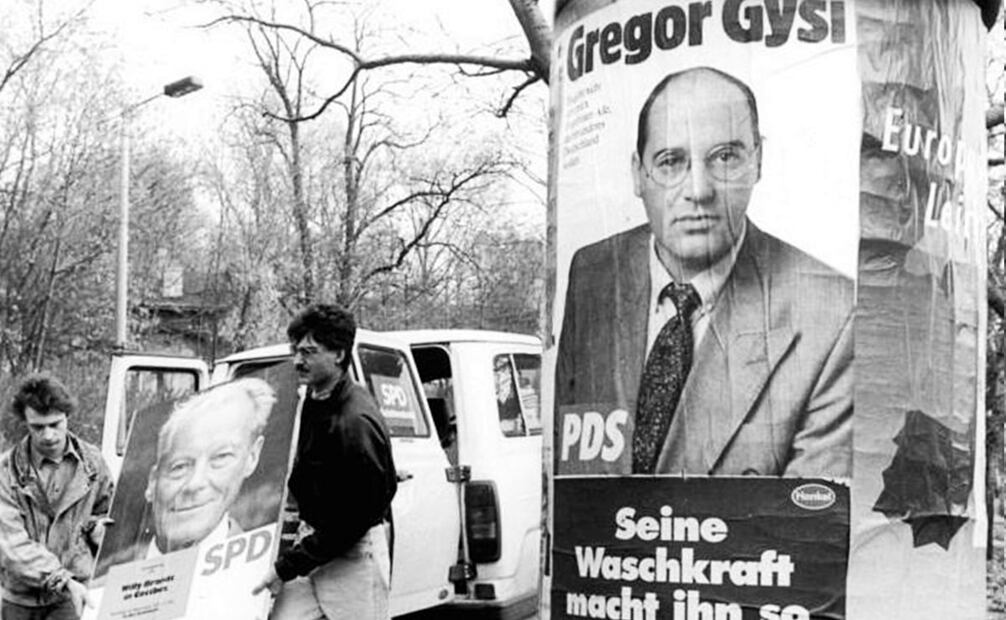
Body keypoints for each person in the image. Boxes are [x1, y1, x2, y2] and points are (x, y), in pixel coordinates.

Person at [556, 66, 853, 478]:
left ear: (758, 162)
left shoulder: (832, 314)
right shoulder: (593, 273)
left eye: (725, 157)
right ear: (637, 175)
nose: (698, 189)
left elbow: (806, 528)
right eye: (670, 161)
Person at [254, 303, 397, 620]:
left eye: (309, 352)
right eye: (296, 350)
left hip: (354, 555)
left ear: (339, 354)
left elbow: (353, 520)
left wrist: (287, 566)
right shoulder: (315, 398)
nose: (297, 360)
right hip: (314, 544)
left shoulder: (355, 423)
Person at [0, 374, 113, 619]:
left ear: (67, 417)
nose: (48, 435)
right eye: (38, 427)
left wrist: (98, 529)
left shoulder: (92, 462)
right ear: (25, 423)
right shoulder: (5, 471)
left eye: (56, 424)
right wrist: (62, 579)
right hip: (21, 601)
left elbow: (106, 512)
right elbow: (10, 544)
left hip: (71, 598)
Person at [144, 378, 276, 555]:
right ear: (152, 482)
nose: (194, 484)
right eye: (179, 467)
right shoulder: (106, 580)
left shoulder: (258, 572)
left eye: (221, 457)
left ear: (251, 458)